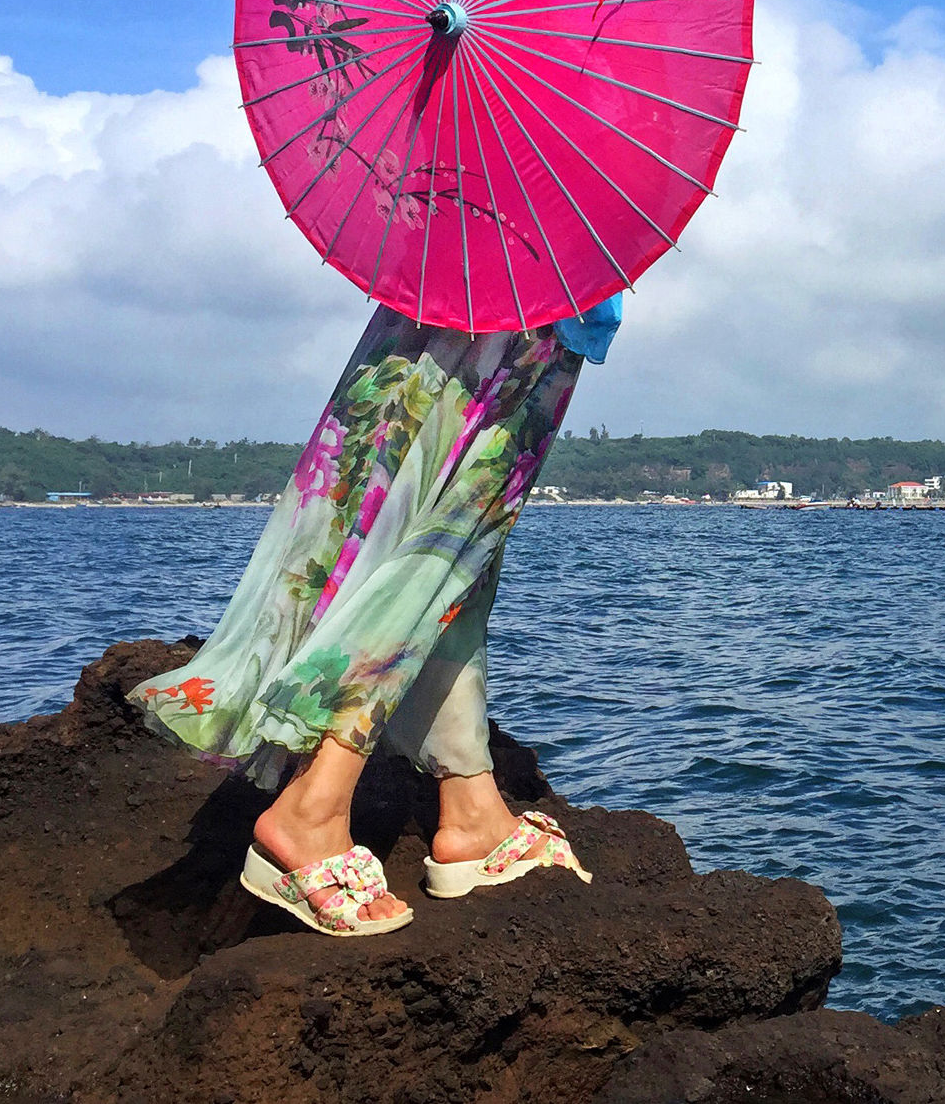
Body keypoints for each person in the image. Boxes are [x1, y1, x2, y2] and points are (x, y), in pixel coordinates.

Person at [131, 296, 620, 935]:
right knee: (440, 554)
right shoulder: (550, 238)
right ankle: (314, 807)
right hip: (531, 310)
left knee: (431, 553)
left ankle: (470, 802)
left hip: (443, 283)